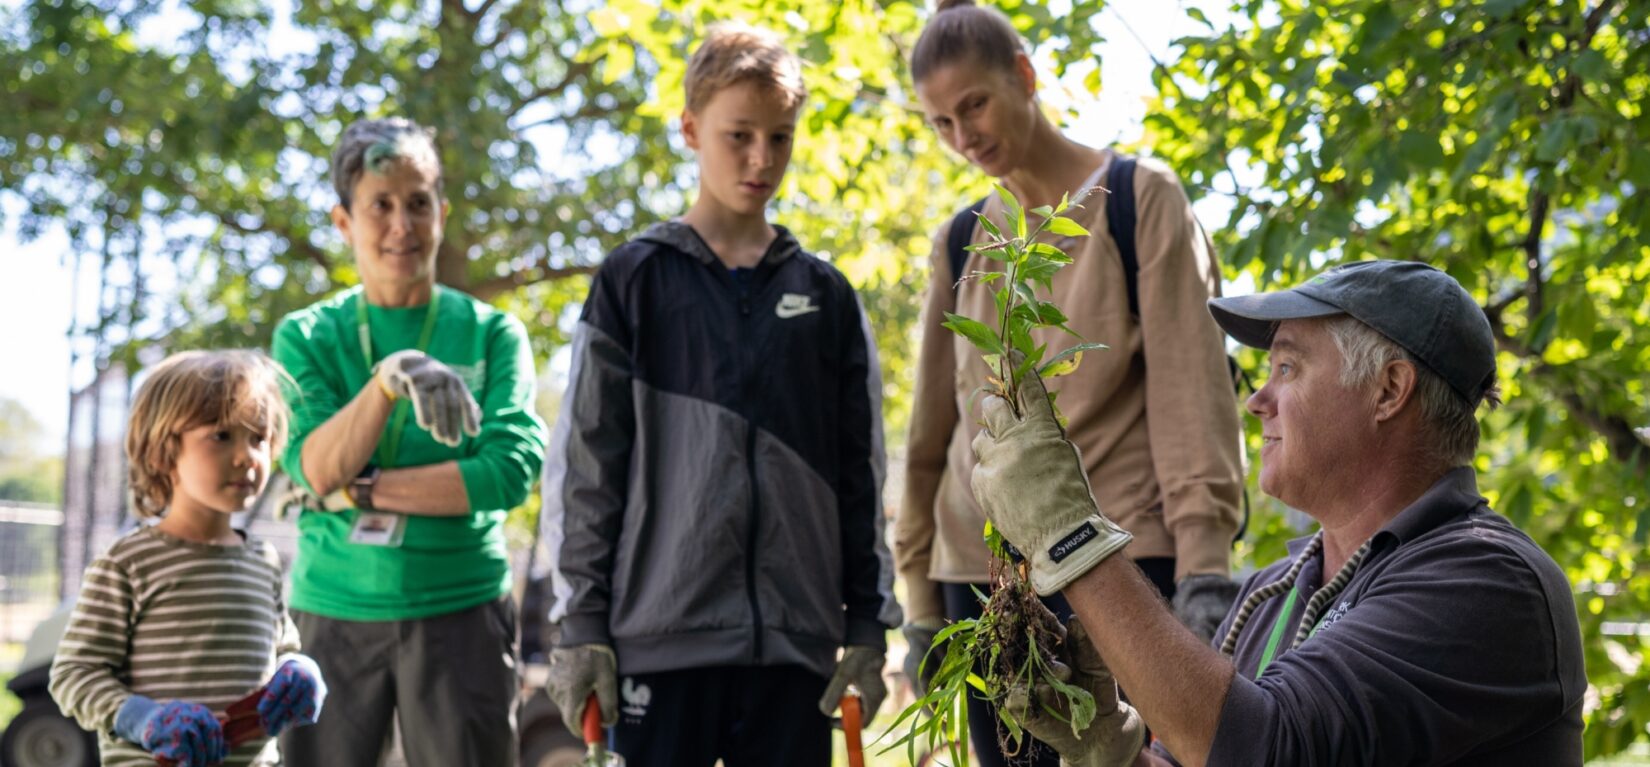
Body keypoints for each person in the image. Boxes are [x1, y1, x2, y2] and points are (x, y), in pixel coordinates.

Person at [971, 260, 1585, 766]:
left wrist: (1071, 535)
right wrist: (1111, 747)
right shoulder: (1273, 592)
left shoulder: (1488, 582)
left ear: (1390, 390)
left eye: (1287, 367)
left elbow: (1268, 749)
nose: (1258, 401)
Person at [539, 21, 901, 766]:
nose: (761, 158)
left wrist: (868, 623)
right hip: (658, 644)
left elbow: (860, 473)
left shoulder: (827, 295)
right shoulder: (631, 280)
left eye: (781, 136)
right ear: (690, 129)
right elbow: (586, 471)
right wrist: (581, 625)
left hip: (795, 650)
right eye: (739, 135)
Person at [894, 0, 1244, 762]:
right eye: (941, 123)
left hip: (1117, 563)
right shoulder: (961, 241)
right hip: (981, 577)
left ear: (1025, 74)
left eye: (975, 105)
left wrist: (1206, 567)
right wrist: (920, 592)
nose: (963, 136)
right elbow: (931, 433)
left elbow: (1194, 395)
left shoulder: (1139, 197)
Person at [271, 117, 549, 766]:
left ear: (442, 214)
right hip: (332, 612)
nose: (403, 225)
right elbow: (314, 467)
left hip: (462, 610)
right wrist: (386, 380)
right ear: (343, 222)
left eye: (419, 202)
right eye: (381, 204)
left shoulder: (493, 333)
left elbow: (507, 473)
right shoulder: (306, 336)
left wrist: (357, 489)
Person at [50, 350, 325, 767]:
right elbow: (74, 674)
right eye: (221, 436)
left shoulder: (263, 559)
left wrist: (299, 670)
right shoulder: (128, 563)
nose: (246, 456)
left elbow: (281, 649)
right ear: (163, 452)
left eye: (259, 437)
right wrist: (144, 719)